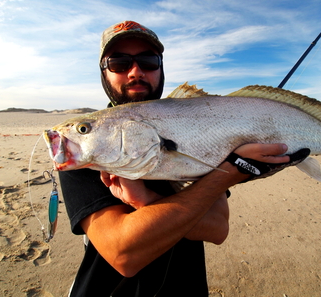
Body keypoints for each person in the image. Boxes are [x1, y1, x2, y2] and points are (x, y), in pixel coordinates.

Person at [59, 20, 302, 297]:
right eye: (119, 63)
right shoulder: (89, 149)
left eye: (149, 61)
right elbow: (124, 254)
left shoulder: (204, 124)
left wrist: (146, 201)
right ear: (104, 72)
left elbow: (217, 228)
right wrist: (230, 172)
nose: (135, 72)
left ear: (161, 67)